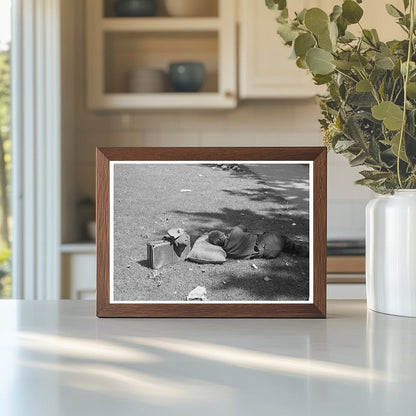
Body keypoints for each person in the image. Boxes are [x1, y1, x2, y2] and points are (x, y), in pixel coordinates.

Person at [208, 225, 308, 260]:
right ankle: (308, 252)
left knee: (279, 241)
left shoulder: (228, 253)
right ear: (223, 235)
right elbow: (243, 226)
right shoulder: (235, 232)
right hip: (270, 241)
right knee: (278, 237)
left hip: (268, 254)